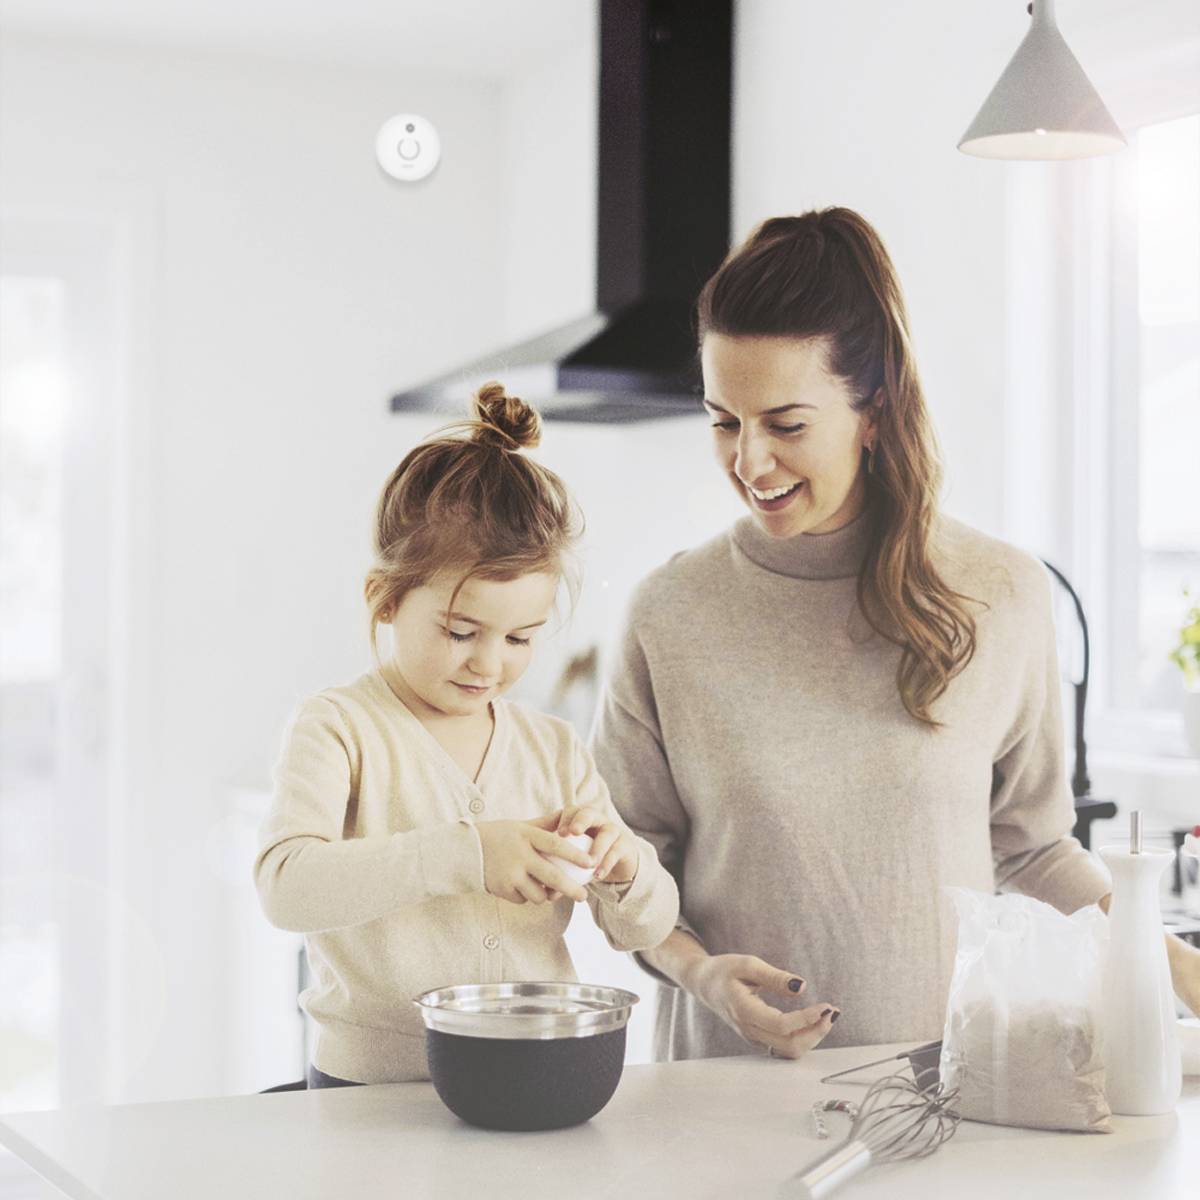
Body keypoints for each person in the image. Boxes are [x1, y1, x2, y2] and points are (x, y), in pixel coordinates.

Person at [591, 207, 1200, 1063]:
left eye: (787, 424)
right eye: (724, 421)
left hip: (945, 1094)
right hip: (723, 1099)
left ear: (873, 410)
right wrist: (700, 974)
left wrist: (1174, 964)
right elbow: (625, 872)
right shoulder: (671, 613)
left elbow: (1034, 850)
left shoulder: (1000, 595)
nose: (750, 463)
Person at [254, 383, 679, 1088]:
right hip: (370, 1092)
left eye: (520, 637)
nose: (490, 663)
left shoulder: (554, 749)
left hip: (531, 1076)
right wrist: (467, 854)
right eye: (460, 632)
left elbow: (645, 927)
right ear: (385, 600)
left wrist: (624, 865)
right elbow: (287, 889)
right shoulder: (341, 727)